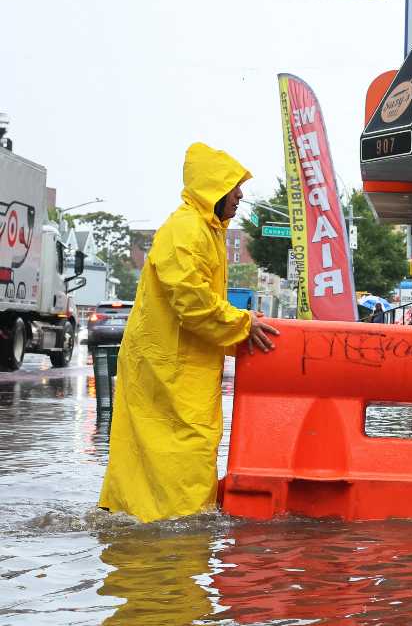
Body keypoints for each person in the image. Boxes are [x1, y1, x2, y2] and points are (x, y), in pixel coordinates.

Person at [99, 143, 279, 523]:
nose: (241, 195)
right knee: (179, 455)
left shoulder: (205, 231)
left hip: (180, 368)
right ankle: (171, 541)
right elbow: (191, 300)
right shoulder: (186, 230)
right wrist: (242, 323)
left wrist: (240, 323)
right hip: (167, 369)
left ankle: (155, 530)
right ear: (214, 188)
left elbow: (199, 300)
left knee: (176, 454)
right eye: (234, 186)